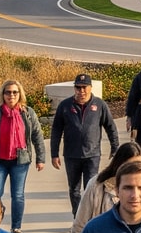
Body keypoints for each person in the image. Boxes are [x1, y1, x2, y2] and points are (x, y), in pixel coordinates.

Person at [0, 79, 47, 233]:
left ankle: (16, 228)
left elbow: (37, 137)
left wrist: (41, 158)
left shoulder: (28, 113)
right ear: (3, 94)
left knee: (18, 195)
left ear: (20, 94)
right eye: (8, 92)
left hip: (20, 161)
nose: (11, 95)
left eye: (15, 92)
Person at [51, 73, 122, 214]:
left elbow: (110, 126)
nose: (81, 91)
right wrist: (54, 154)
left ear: (90, 88)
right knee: (74, 190)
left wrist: (115, 148)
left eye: (84, 87)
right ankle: (77, 217)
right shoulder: (65, 106)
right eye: (78, 87)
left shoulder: (99, 105)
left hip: (92, 155)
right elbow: (56, 130)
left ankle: (90, 217)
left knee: (91, 188)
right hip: (72, 155)